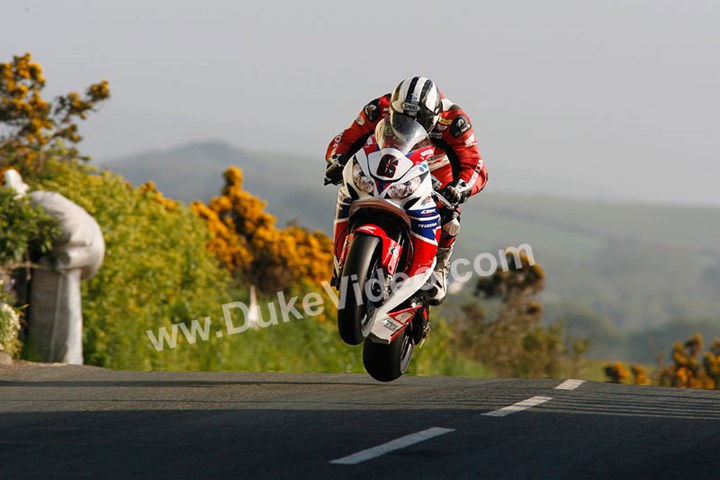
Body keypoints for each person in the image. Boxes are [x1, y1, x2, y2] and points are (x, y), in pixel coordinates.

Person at [324, 76, 488, 305]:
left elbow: (474, 163)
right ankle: (342, 257)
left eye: (421, 120)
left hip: (435, 172)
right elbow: (351, 135)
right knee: (350, 189)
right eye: (402, 118)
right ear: (393, 108)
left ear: (435, 115)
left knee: (450, 217)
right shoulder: (379, 107)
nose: (411, 123)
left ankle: (439, 267)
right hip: (389, 160)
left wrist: (461, 188)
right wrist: (336, 160)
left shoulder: (455, 121)